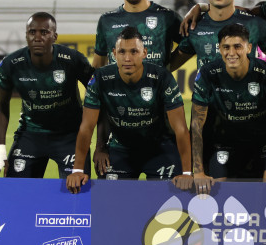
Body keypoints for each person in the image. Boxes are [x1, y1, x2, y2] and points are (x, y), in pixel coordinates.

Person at [66, 27, 193, 190]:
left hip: (160, 148)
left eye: (134, 51)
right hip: (121, 148)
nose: (127, 58)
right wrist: (77, 169)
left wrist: (188, 173)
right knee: (110, 202)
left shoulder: (162, 77)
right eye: (122, 52)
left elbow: (181, 129)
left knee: (168, 206)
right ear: (113, 53)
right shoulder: (100, 78)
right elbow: (86, 126)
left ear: (144, 52)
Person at [191, 23, 266, 195]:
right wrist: (198, 171)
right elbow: (196, 125)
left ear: (248, 48)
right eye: (226, 47)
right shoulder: (208, 74)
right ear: (219, 49)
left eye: (237, 47)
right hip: (226, 143)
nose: (231, 53)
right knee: (217, 191)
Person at [0, 13, 94, 179]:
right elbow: (2, 104)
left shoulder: (73, 60)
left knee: (76, 197)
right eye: (32, 32)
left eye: (44, 33)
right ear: (26, 36)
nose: (37, 37)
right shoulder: (11, 64)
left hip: (70, 137)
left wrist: (99, 141)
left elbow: (98, 93)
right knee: (16, 195)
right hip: (30, 134)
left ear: (55, 36)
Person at [93, 0, 180, 70]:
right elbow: (97, 66)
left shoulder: (166, 17)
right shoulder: (107, 20)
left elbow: (191, 44)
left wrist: (167, 68)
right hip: (118, 88)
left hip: (155, 88)